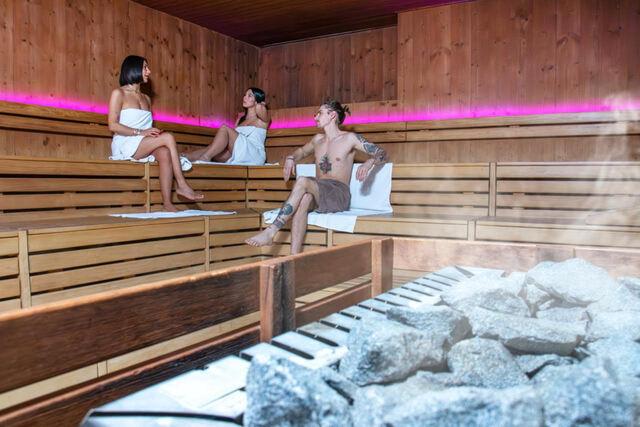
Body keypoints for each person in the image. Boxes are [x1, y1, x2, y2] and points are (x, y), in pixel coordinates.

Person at [245, 99, 388, 254]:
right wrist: (291, 158)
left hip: (338, 193)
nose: (315, 117)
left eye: (320, 113)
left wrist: (369, 163)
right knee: (304, 200)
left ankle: (271, 231)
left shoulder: (350, 138)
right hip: (319, 191)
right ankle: (293, 259)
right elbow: (301, 152)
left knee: (302, 181)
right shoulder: (317, 140)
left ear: (332, 115)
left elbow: (381, 153)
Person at [108, 55, 203, 212]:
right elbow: (112, 125)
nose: (149, 71)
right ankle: (182, 184)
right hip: (126, 142)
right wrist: (141, 132)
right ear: (133, 69)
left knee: (165, 152)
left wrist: (153, 133)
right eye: (145, 67)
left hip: (143, 142)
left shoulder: (146, 98)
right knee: (168, 137)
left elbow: (146, 126)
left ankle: (167, 204)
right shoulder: (119, 93)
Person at [184, 88, 270, 164]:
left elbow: (259, 107)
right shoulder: (240, 119)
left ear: (257, 101)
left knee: (224, 128)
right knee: (214, 149)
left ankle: (205, 158)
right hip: (238, 153)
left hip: (254, 154)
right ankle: (184, 157)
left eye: (249, 95)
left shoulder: (262, 120)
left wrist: (260, 103)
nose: (244, 97)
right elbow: (234, 140)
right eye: (245, 95)